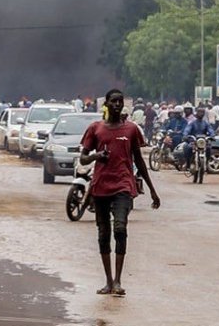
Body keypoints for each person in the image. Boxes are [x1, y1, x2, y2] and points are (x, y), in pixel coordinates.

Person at [79, 89, 159, 297]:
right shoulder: (95, 129)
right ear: (106, 104)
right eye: (113, 101)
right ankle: (107, 281)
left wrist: (152, 190)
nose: (117, 104)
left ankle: (118, 281)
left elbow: (139, 161)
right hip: (101, 187)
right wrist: (97, 156)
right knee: (103, 234)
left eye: (120, 101)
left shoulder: (132, 129)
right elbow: (83, 159)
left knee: (120, 229)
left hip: (123, 186)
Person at [182, 107, 214, 173]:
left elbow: (210, 130)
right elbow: (187, 130)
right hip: (194, 141)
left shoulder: (205, 123)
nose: (201, 114)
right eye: (199, 112)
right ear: (196, 113)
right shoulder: (192, 123)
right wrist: (185, 135)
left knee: (209, 148)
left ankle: (207, 162)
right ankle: (188, 163)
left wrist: (212, 136)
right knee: (187, 147)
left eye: (202, 112)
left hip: (203, 142)